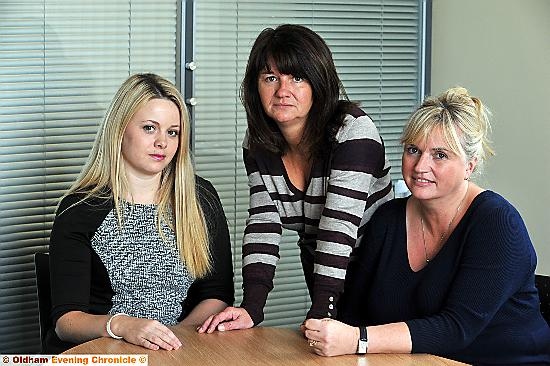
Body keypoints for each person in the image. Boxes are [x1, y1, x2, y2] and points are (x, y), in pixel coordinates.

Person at [303, 87, 550, 365]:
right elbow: (354, 314)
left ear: (470, 165)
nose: (421, 165)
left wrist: (357, 340)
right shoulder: (388, 220)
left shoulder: (497, 223)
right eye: (413, 150)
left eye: (440, 155)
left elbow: (456, 329)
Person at [199, 24, 393, 333]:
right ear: (255, 86)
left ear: (318, 82)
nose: (282, 91)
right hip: (322, 266)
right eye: (271, 78)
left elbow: (338, 226)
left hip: (382, 267)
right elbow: (263, 224)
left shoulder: (353, 130)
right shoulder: (257, 143)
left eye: (297, 77)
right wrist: (252, 307)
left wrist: (323, 308)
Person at [46, 73, 234, 353]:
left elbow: (217, 294)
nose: (163, 142)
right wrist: (123, 326)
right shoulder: (80, 209)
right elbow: (67, 321)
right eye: (149, 128)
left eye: (173, 132)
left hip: (179, 351)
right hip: (103, 353)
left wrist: (171, 339)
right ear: (120, 129)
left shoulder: (200, 198)